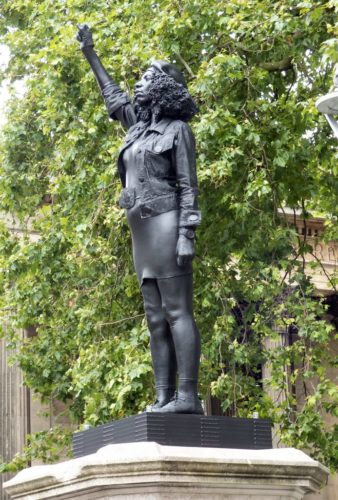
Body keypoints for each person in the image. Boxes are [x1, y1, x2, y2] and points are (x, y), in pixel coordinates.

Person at [76, 24, 203, 414]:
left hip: (166, 223)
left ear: (164, 87)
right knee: (155, 317)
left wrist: (187, 233)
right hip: (142, 231)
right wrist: (90, 53)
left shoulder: (177, 130)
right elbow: (112, 96)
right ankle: (163, 396)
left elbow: (188, 184)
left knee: (178, 310)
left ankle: (187, 397)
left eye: (148, 77)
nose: (140, 82)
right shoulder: (137, 128)